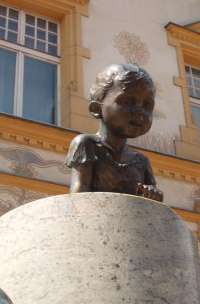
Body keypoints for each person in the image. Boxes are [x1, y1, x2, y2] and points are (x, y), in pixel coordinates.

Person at [66, 63, 163, 201]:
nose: (140, 111)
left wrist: (153, 194)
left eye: (147, 105)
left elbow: (152, 204)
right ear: (96, 109)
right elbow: (79, 197)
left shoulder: (141, 161)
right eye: (127, 101)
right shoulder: (87, 145)